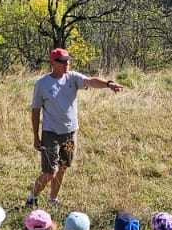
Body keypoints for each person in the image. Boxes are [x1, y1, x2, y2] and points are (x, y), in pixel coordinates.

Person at [27, 47, 122, 209]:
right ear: (52, 63)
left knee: (63, 167)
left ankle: (53, 199)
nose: (66, 64)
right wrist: (36, 136)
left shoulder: (73, 78)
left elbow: (91, 81)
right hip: (51, 133)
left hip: (70, 133)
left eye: (68, 60)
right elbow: (35, 110)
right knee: (50, 172)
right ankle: (32, 198)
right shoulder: (42, 84)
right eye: (62, 61)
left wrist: (108, 84)